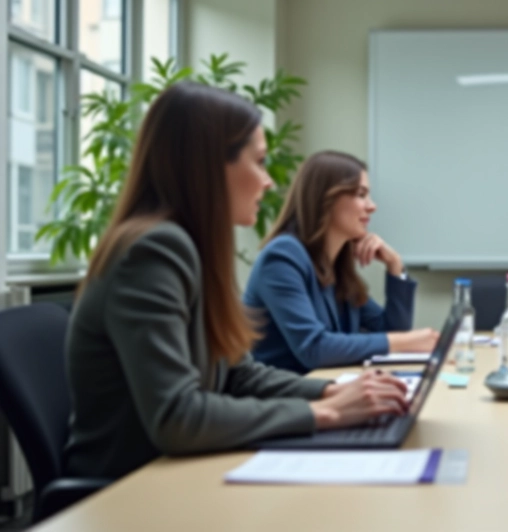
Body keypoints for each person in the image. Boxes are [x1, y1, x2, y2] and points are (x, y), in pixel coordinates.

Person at [64, 82, 409, 480]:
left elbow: (239, 374)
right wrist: (324, 413)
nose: (269, 182)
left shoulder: (192, 246)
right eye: (259, 162)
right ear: (209, 166)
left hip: (178, 473)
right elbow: (178, 417)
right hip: (129, 491)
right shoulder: (154, 251)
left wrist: (332, 392)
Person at [244, 152, 438, 374]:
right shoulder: (282, 257)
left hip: (327, 390)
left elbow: (392, 330)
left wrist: (395, 265)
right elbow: (314, 348)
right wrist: (404, 342)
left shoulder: (335, 263)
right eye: (361, 194)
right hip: (286, 399)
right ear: (326, 199)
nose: (371, 206)